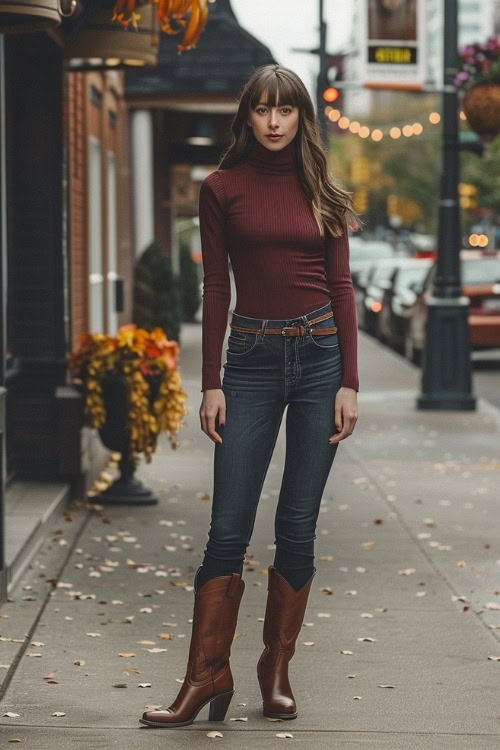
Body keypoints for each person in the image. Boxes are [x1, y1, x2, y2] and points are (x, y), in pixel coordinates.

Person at [140, 63, 360, 729]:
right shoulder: (221, 187)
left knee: (296, 521)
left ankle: (275, 667)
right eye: (262, 109)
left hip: (321, 355)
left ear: (301, 117)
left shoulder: (325, 190)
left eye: (284, 110)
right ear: (247, 117)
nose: (272, 121)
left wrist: (350, 380)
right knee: (228, 525)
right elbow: (214, 289)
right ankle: (206, 673)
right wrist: (210, 382)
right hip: (252, 360)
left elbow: (343, 286)